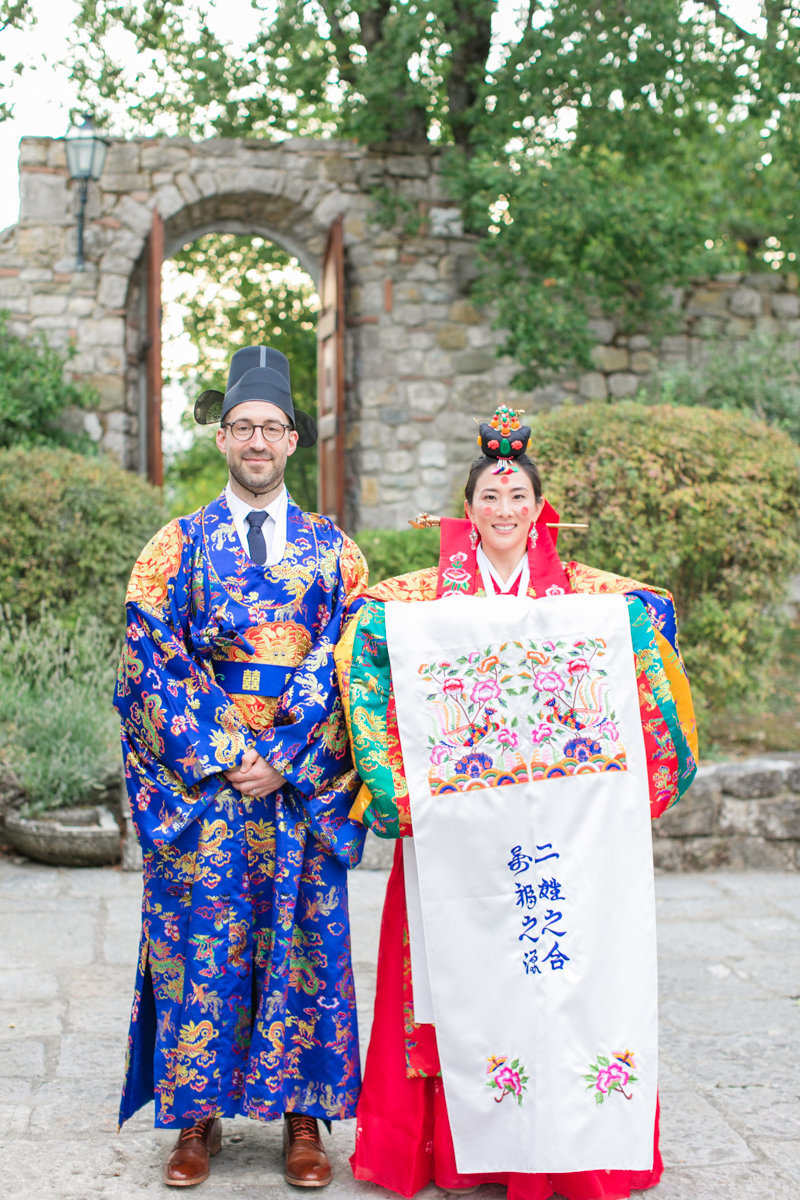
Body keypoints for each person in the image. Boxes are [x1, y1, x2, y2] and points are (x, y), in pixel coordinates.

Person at [335, 406, 698, 1200]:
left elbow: (652, 623)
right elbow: (366, 643)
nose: (504, 512)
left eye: (518, 499)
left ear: (540, 512)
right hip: (458, 834)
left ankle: (573, 1145)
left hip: (565, 836)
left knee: (560, 971)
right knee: (453, 971)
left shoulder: (586, 601)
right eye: (490, 499)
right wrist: (396, 784)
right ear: (467, 512)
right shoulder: (423, 600)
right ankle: (457, 1148)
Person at [115, 345, 369, 1189]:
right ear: (222, 439)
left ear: (294, 441)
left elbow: (350, 661)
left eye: (272, 427)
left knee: (303, 941)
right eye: (242, 428)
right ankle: (194, 1119)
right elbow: (150, 662)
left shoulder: (337, 555)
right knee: (196, 941)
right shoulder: (173, 548)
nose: (257, 441)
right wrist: (228, 755)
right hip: (209, 784)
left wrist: (288, 754)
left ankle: (305, 1119)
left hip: (297, 784)